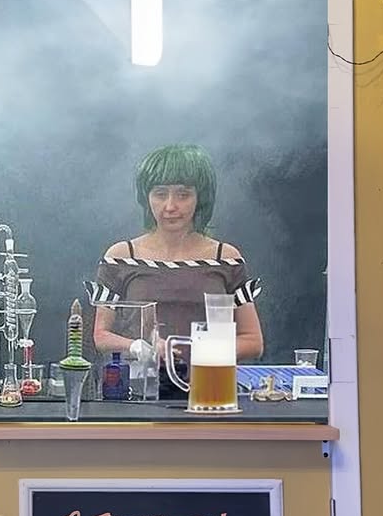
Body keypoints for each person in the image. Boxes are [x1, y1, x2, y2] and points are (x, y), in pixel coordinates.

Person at [92, 144, 264, 376]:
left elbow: (253, 341)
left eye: (183, 195)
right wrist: (138, 347)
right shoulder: (121, 257)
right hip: (138, 392)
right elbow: (100, 336)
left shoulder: (225, 258)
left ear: (200, 198)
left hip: (208, 388)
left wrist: (200, 351)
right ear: (146, 197)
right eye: (160, 194)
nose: (170, 206)